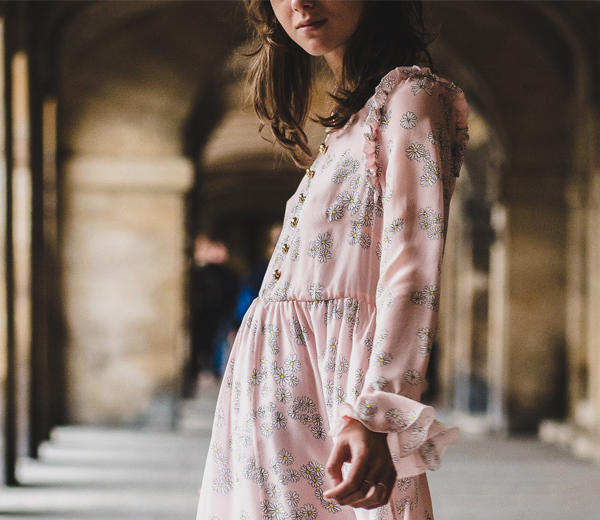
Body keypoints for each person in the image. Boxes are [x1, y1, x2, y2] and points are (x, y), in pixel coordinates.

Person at [196, 1, 468, 518]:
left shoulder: (410, 99)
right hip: (278, 404)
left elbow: (413, 272)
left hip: (336, 393)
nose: (300, 2)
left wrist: (378, 414)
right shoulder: (354, 122)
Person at [185, 234, 241, 398]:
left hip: (221, 317)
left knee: (219, 347)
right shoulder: (201, 272)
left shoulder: (228, 274)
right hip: (204, 316)